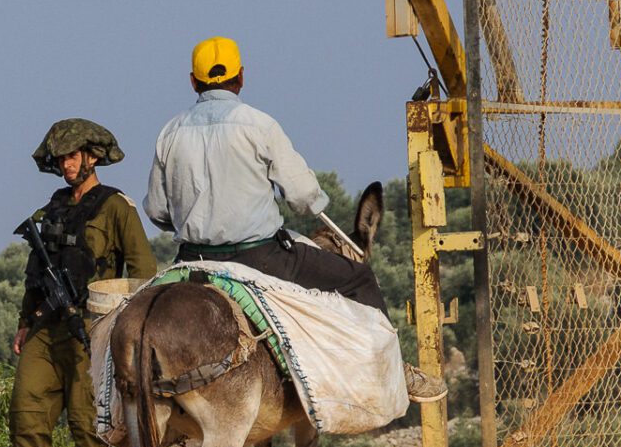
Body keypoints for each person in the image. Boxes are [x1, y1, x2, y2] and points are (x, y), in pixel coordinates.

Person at [143, 36, 447, 403]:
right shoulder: (259, 125)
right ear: (241, 78)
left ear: (193, 81)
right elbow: (304, 198)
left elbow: (157, 211)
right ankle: (397, 374)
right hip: (259, 257)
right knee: (359, 277)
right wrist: (312, 199)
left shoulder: (169, 133)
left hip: (191, 260)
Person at [0, 119, 158, 447]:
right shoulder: (53, 207)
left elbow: (144, 273)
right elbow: (36, 270)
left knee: (86, 412)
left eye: (72, 156)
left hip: (92, 327)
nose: (65, 165)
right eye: (61, 158)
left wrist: (128, 327)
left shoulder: (117, 207)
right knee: (26, 400)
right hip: (45, 325)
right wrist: (24, 322)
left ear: (92, 157)